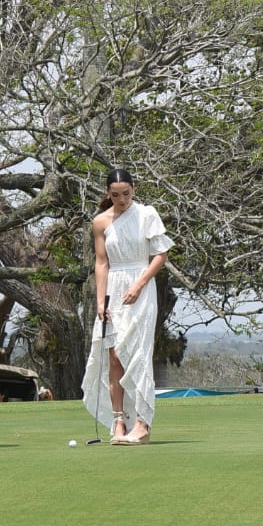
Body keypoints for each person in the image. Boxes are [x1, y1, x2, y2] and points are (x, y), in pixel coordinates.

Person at [80, 169, 173, 445]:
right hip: (113, 289)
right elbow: (101, 262)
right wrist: (100, 301)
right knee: (114, 357)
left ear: (134, 188)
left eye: (126, 193)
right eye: (115, 194)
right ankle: (119, 420)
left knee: (139, 353)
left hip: (141, 287)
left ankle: (143, 423)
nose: (121, 199)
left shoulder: (147, 214)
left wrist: (139, 284)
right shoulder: (100, 222)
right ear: (108, 193)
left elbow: (161, 254)